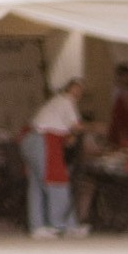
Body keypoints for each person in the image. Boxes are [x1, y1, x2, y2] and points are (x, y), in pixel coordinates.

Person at [21, 79, 86, 239]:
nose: (78, 93)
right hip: (44, 141)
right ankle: (60, 225)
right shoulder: (66, 101)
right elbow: (77, 127)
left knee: (37, 185)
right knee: (56, 182)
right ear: (69, 89)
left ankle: (38, 226)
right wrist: (97, 126)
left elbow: (67, 135)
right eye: (76, 89)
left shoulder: (55, 102)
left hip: (30, 140)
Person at [107, 64, 128, 149]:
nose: (122, 78)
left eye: (124, 76)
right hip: (119, 122)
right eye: (120, 76)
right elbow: (114, 107)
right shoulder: (116, 89)